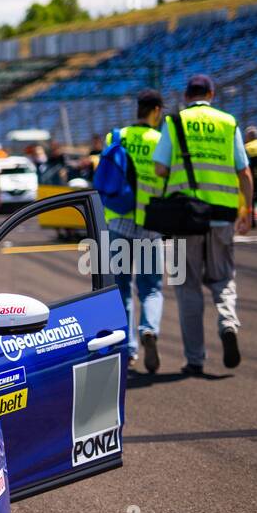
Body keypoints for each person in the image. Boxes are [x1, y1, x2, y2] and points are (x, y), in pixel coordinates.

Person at [153, 74, 252, 375]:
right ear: (212, 93)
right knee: (223, 279)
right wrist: (245, 210)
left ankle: (195, 359)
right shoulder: (228, 122)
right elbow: (244, 173)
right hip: (222, 215)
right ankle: (228, 325)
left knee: (188, 287)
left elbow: (159, 168)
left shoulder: (175, 123)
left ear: (186, 96)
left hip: (186, 219)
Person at [103, 88, 166, 373]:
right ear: (156, 111)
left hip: (118, 220)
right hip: (151, 223)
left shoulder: (118, 136)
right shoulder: (160, 140)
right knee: (151, 288)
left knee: (121, 289)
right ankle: (148, 330)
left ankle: (128, 350)